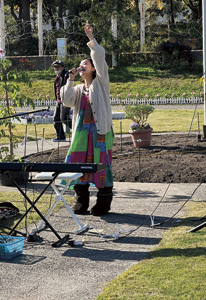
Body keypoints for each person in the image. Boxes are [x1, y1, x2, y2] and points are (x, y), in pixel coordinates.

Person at [60, 21, 114, 216]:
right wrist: (70, 78)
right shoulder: (77, 89)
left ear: (93, 69)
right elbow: (66, 101)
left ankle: (103, 204)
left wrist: (91, 38)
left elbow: (100, 58)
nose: (81, 66)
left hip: (100, 133)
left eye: (85, 64)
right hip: (81, 135)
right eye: (80, 65)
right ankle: (81, 203)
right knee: (77, 165)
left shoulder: (101, 82)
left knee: (101, 166)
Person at [52, 60, 72, 142]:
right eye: (55, 67)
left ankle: (79, 130)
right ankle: (60, 136)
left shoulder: (66, 76)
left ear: (62, 67)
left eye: (58, 67)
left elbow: (67, 88)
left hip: (65, 101)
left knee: (64, 118)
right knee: (56, 119)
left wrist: (65, 101)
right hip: (59, 101)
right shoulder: (57, 78)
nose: (56, 69)